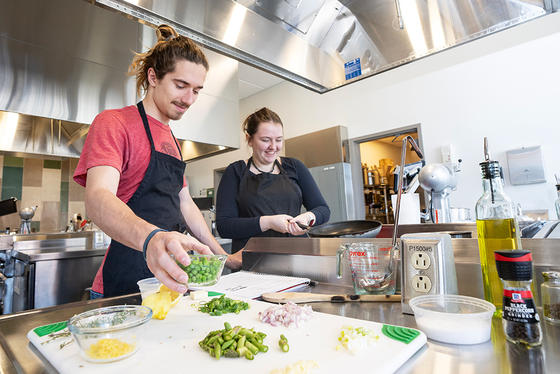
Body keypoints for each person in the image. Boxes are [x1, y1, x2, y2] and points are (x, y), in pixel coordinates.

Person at [73, 24, 241, 298]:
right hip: (124, 282)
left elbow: (186, 205)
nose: (189, 99)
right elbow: (98, 197)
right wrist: (152, 238)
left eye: (197, 90)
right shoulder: (114, 123)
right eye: (180, 85)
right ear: (153, 77)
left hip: (170, 285)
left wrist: (222, 255)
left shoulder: (173, 141)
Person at [216, 107, 330, 252]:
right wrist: (268, 222)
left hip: (297, 255)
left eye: (278, 140)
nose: (273, 147)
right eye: (265, 140)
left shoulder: (294, 167)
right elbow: (224, 226)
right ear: (249, 139)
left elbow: (323, 209)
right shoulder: (235, 172)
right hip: (253, 259)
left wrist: (307, 217)